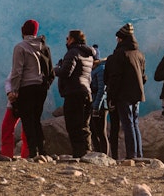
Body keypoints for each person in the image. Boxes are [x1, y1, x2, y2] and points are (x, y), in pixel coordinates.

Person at [7, 19, 52, 157]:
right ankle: (42, 149)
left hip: (27, 87)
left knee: (27, 119)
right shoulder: (44, 47)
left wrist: (14, 90)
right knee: (36, 119)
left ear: (23, 31)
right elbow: (50, 71)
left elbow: (17, 71)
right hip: (41, 88)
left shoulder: (20, 47)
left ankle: (32, 151)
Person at [104, 22, 146, 159]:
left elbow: (115, 78)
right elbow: (143, 77)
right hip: (137, 94)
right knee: (134, 123)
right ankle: (138, 154)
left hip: (123, 95)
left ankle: (131, 155)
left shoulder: (120, 54)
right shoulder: (139, 54)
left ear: (121, 39)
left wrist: (111, 96)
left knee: (127, 124)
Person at [54, 29, 95, 157]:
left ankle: (78, 153)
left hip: (74, 93)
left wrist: (55, 69)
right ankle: (87, 152)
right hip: (86, 92)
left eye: (67, 38)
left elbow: (66, 72)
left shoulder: (72, 53)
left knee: (73, 125)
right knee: (84, 125)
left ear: (72, 39)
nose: (66, 41)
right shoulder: (89, 55)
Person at [0, 75, 29, 158]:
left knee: (27, 129)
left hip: (26, 101)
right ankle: (7, 155)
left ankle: (26, 155)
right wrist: (9, 93)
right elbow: (8, 81)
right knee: (7, 128)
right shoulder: (17, 66)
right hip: (14, 102)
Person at [89, 45, 109, 155]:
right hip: (94, 105)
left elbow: (102, 89)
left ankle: (104, 155)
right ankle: (97, 154)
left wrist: (96, 106)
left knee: (101, 132)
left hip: (100, 106)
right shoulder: (94, 69)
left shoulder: (101, 69)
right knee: (93, 130)